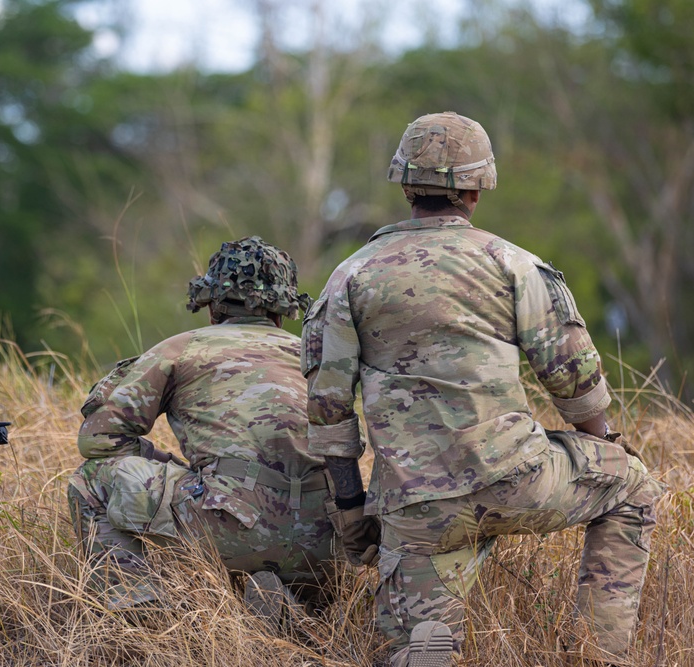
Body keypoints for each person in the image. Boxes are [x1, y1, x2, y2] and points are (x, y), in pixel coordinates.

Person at [301, 112, 665, 666]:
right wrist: (607, 443)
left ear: (404, 186)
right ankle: (598, 654)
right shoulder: (513, 264)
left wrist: (353, 513)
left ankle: (422, 644)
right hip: (516, 479)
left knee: (415, 646)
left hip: (416, 507)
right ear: (477, 188)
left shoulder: (350, 276)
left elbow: (328, 412)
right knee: (632, 486)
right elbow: (572, 379)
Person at [68, 236, 339, 622]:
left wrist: (166, 462)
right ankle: (299, 615)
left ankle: (137, 610)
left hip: (228, 524)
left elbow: (97, 439)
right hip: (324, 542)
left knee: (92, 478)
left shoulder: (182, 349)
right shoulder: (313, 355)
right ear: (284, 310)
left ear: (212, 304)